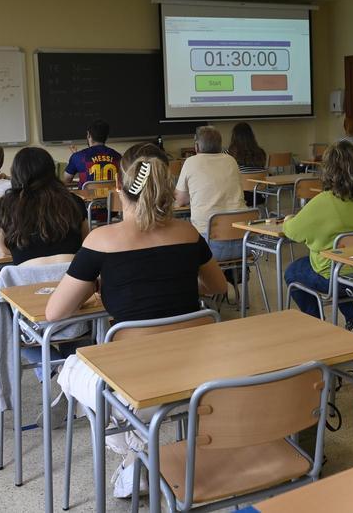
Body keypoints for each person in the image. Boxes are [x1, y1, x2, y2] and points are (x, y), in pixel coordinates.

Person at [51, 156, 229, 498]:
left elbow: (56, 311)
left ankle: (135, 455)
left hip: (134, 381)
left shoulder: (101, 240)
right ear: (167, 193)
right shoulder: (188, 233)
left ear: (120, 190)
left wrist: (98, 287)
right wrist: (177, 281)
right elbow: (218, 287)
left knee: (73, 367)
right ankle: (136, 455)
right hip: (195, 373)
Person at [283, 141, 353, 335]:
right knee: (341, 264)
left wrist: (288, 220)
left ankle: (318, 326)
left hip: (337, 277)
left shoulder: (323, 202)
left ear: (327, 169)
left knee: (294, 271)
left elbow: (293, 232)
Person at [0, 147, 88, 265]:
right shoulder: (74, 202)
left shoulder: (5, 206)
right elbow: (85, 242)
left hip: (25, 275)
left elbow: (5, 249)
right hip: (69, 274)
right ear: (51, 171)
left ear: (16, 173)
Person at [175, 126, 246, 263]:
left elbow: (181, 200)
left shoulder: (191, 162)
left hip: (209, 248)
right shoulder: (231, 160)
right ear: (220, 145)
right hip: (243, 243)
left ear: (196, 146)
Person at [62, 119, 121, 186]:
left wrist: (76, 157)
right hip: (111, 193)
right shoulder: (118, 157)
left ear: (88, 135)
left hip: (86, 193)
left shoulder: (77, 157)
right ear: (107, 137)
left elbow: (66, 181)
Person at [227, 122, 267, 207]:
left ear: (234, 137)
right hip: (259, 195)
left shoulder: (229, 153)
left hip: (239, 197)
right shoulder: (261, 152)